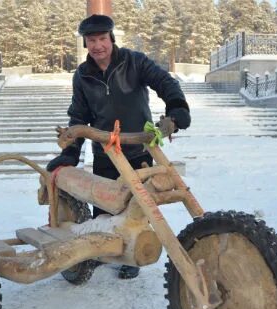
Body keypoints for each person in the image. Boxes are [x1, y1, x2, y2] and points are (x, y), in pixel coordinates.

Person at [46, 14, 191, 279]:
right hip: (105, 151)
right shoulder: (82, 76)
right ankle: (103, 250)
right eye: (91, 40)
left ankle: (132, 255)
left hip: (139, 149)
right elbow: (78, 117)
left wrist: (176, 110)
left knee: (137, 206)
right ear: (86, 44)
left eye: (102, 39)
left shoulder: (134, 62)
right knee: (104, 208)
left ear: (111, 39)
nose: (98, 45)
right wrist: (70, 153)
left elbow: (165, 82)